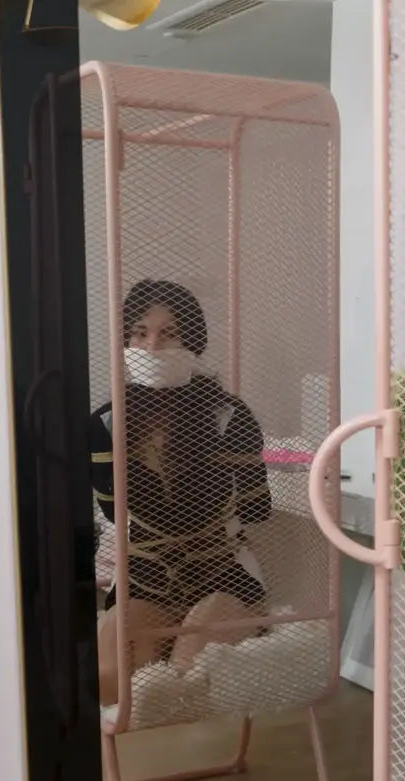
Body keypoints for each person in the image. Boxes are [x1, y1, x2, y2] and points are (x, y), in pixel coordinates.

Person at [91, 279, 273, 707]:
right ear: (126, 341)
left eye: (168, 333)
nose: (152, 346)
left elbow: (256, 509)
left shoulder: (229, 417)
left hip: (224, 573)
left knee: (191, 669)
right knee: (112, 677)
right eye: (140, 333)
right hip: (143, 579)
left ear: (192, 342)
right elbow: (256, 507)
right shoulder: (103, 424)